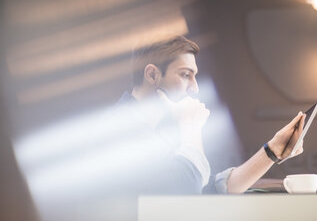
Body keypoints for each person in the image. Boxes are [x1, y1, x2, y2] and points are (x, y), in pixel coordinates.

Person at [119, 35, 305, 194]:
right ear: (152, 75)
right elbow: (186, 189)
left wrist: (273, 151)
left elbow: (208, 187)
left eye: (194, 76)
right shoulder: (124, 130)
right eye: (185, 75)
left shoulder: (157, 130)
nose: (195, 88)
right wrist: (191, 125)